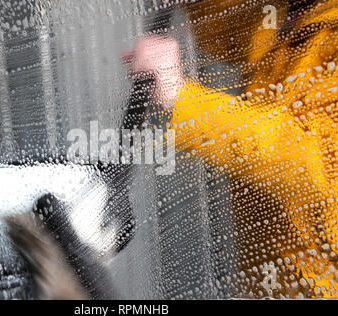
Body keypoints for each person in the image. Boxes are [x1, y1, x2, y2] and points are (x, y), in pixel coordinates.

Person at [124, 0, 338, 298]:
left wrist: (179, 96)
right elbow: (237, 30)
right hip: (271, 279)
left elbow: (313, 162)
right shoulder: (297, 8)